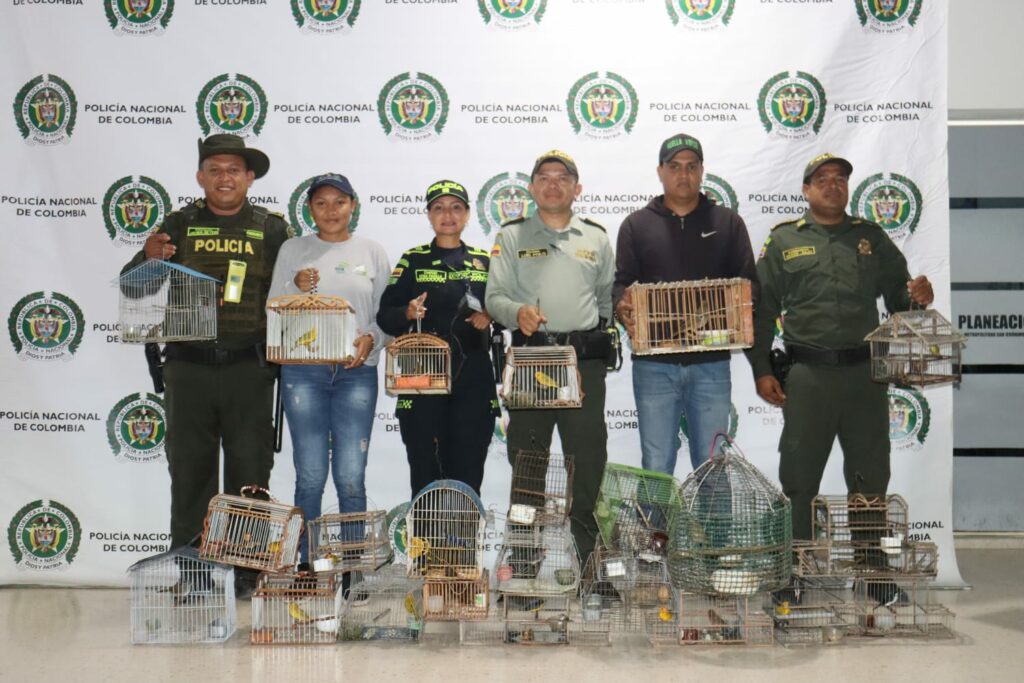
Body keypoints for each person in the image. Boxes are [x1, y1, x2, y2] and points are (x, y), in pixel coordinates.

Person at [745, 153, 934, 550]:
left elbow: (899, 298)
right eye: (822, 179)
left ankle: (872, 566)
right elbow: (761, 313)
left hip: (865, 376)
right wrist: (761, 368)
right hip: (808, 376)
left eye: (840, 179)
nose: (833, 184)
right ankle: (796, 567)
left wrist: (917, 295)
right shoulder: (784, 240)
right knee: (799, 474)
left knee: (870, 472)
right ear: (806, 190)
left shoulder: (871, 237)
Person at [121, 134, 291, 553]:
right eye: (214, 170)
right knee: (190, 472)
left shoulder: (272, 228)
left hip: (249, 370)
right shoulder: (177, 224)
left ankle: (246, 569)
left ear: (250, 177)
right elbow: (134, 287)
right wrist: (148, 256)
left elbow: (292, 294)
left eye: (234, 170)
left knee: (250, 475)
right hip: (188, 368)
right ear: (200, 177)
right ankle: (193, 571)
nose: (224, 178)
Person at [485, 150, 615, 565]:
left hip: (583, 366)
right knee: (527, 462)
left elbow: (607, 300)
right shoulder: (510, 236)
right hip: (531, 363)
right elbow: (493, 298)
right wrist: (516, 314)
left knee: (589, 462)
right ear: (532, 187)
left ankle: (590, 563)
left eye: (563, 177)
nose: (554, 183)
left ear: (577, 188)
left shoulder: (596, 237)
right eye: (544, 176)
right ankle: (523, 563)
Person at [614, 133, 757, 475]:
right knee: (656, 464)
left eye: (691, 167)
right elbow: (621, 283)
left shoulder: (728, 223)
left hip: (711, 362)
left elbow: (750, 285)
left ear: (702, 171)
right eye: (675, 167)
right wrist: (622, 306)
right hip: (653, 365)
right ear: (660, 171)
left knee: (713, 464)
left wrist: (744, 310)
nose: (683, 175)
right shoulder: (636, 225)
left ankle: (712, 532)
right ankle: (657, 532)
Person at [267, 173, 390, 565]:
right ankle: (308, 564)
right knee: (310, 476)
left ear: (353, 205)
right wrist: (295, 286)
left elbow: (386, 315)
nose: (331, 210)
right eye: (321, 203)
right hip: (304, 373)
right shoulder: (293, 249)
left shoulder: (371, 251)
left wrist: (371, 338)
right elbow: (273, 307)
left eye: (339, 202)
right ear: (309, 209)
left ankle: (353, 566)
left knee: (352, 478)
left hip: (357, 373)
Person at [376, 180, 499, 497]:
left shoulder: (485, 262)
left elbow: (506, 309)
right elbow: (384, 316)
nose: (448, 214)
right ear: (429, 215)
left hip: (473, 377)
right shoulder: (413, 260)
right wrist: (407, 312)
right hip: (421, 376)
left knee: (469, 474)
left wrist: (492, 314)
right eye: (439, 207)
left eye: (456, 207)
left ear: (468, 214)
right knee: (425, 471)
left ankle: (464, 546)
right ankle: (424, 546)